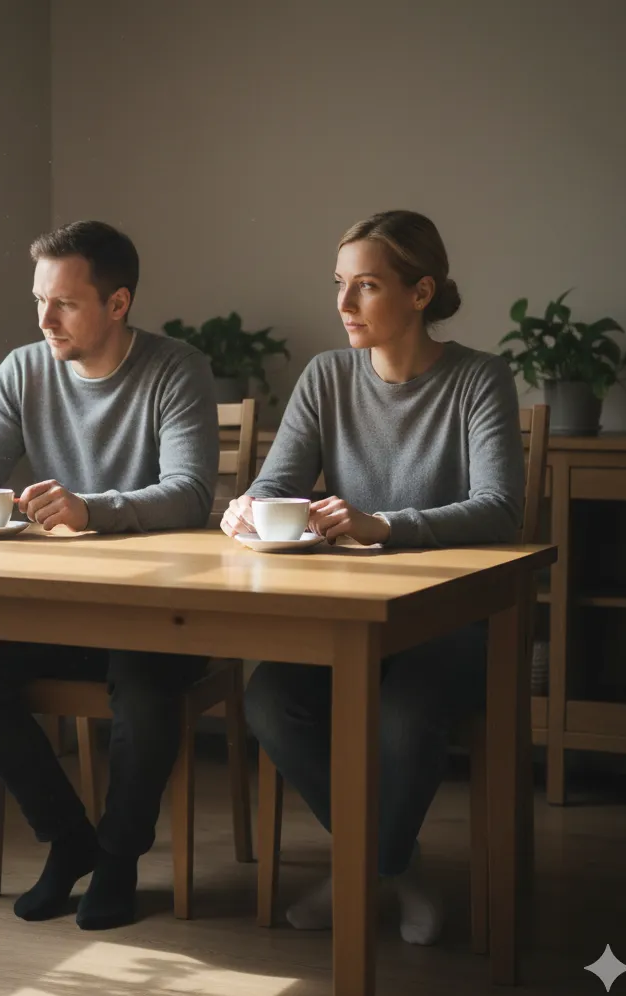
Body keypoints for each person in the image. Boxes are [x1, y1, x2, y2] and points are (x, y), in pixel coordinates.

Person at [221, 210, 525, 945]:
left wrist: (384, 524)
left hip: (452, 624)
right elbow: (274, 486)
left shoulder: (479, 379)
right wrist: (247, 508)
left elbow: (499, 511)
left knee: (403, 716)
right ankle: (397, 865)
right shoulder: (327, 376)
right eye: (339, 285)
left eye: (365, 286)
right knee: (270, 701)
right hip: (352, 621)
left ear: (421, 293)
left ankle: (367, 868)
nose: (343, 306)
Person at [0, 220, 218, 930]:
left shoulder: (176, 367)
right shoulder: (23, 369)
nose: (43, 319)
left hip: (159, 615)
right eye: (38, 300)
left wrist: (90, 510)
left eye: (63, 303)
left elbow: (190, 494)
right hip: (56, 612)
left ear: (117, 304)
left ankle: (118, 857)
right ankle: (70, 841)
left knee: (144, 683)